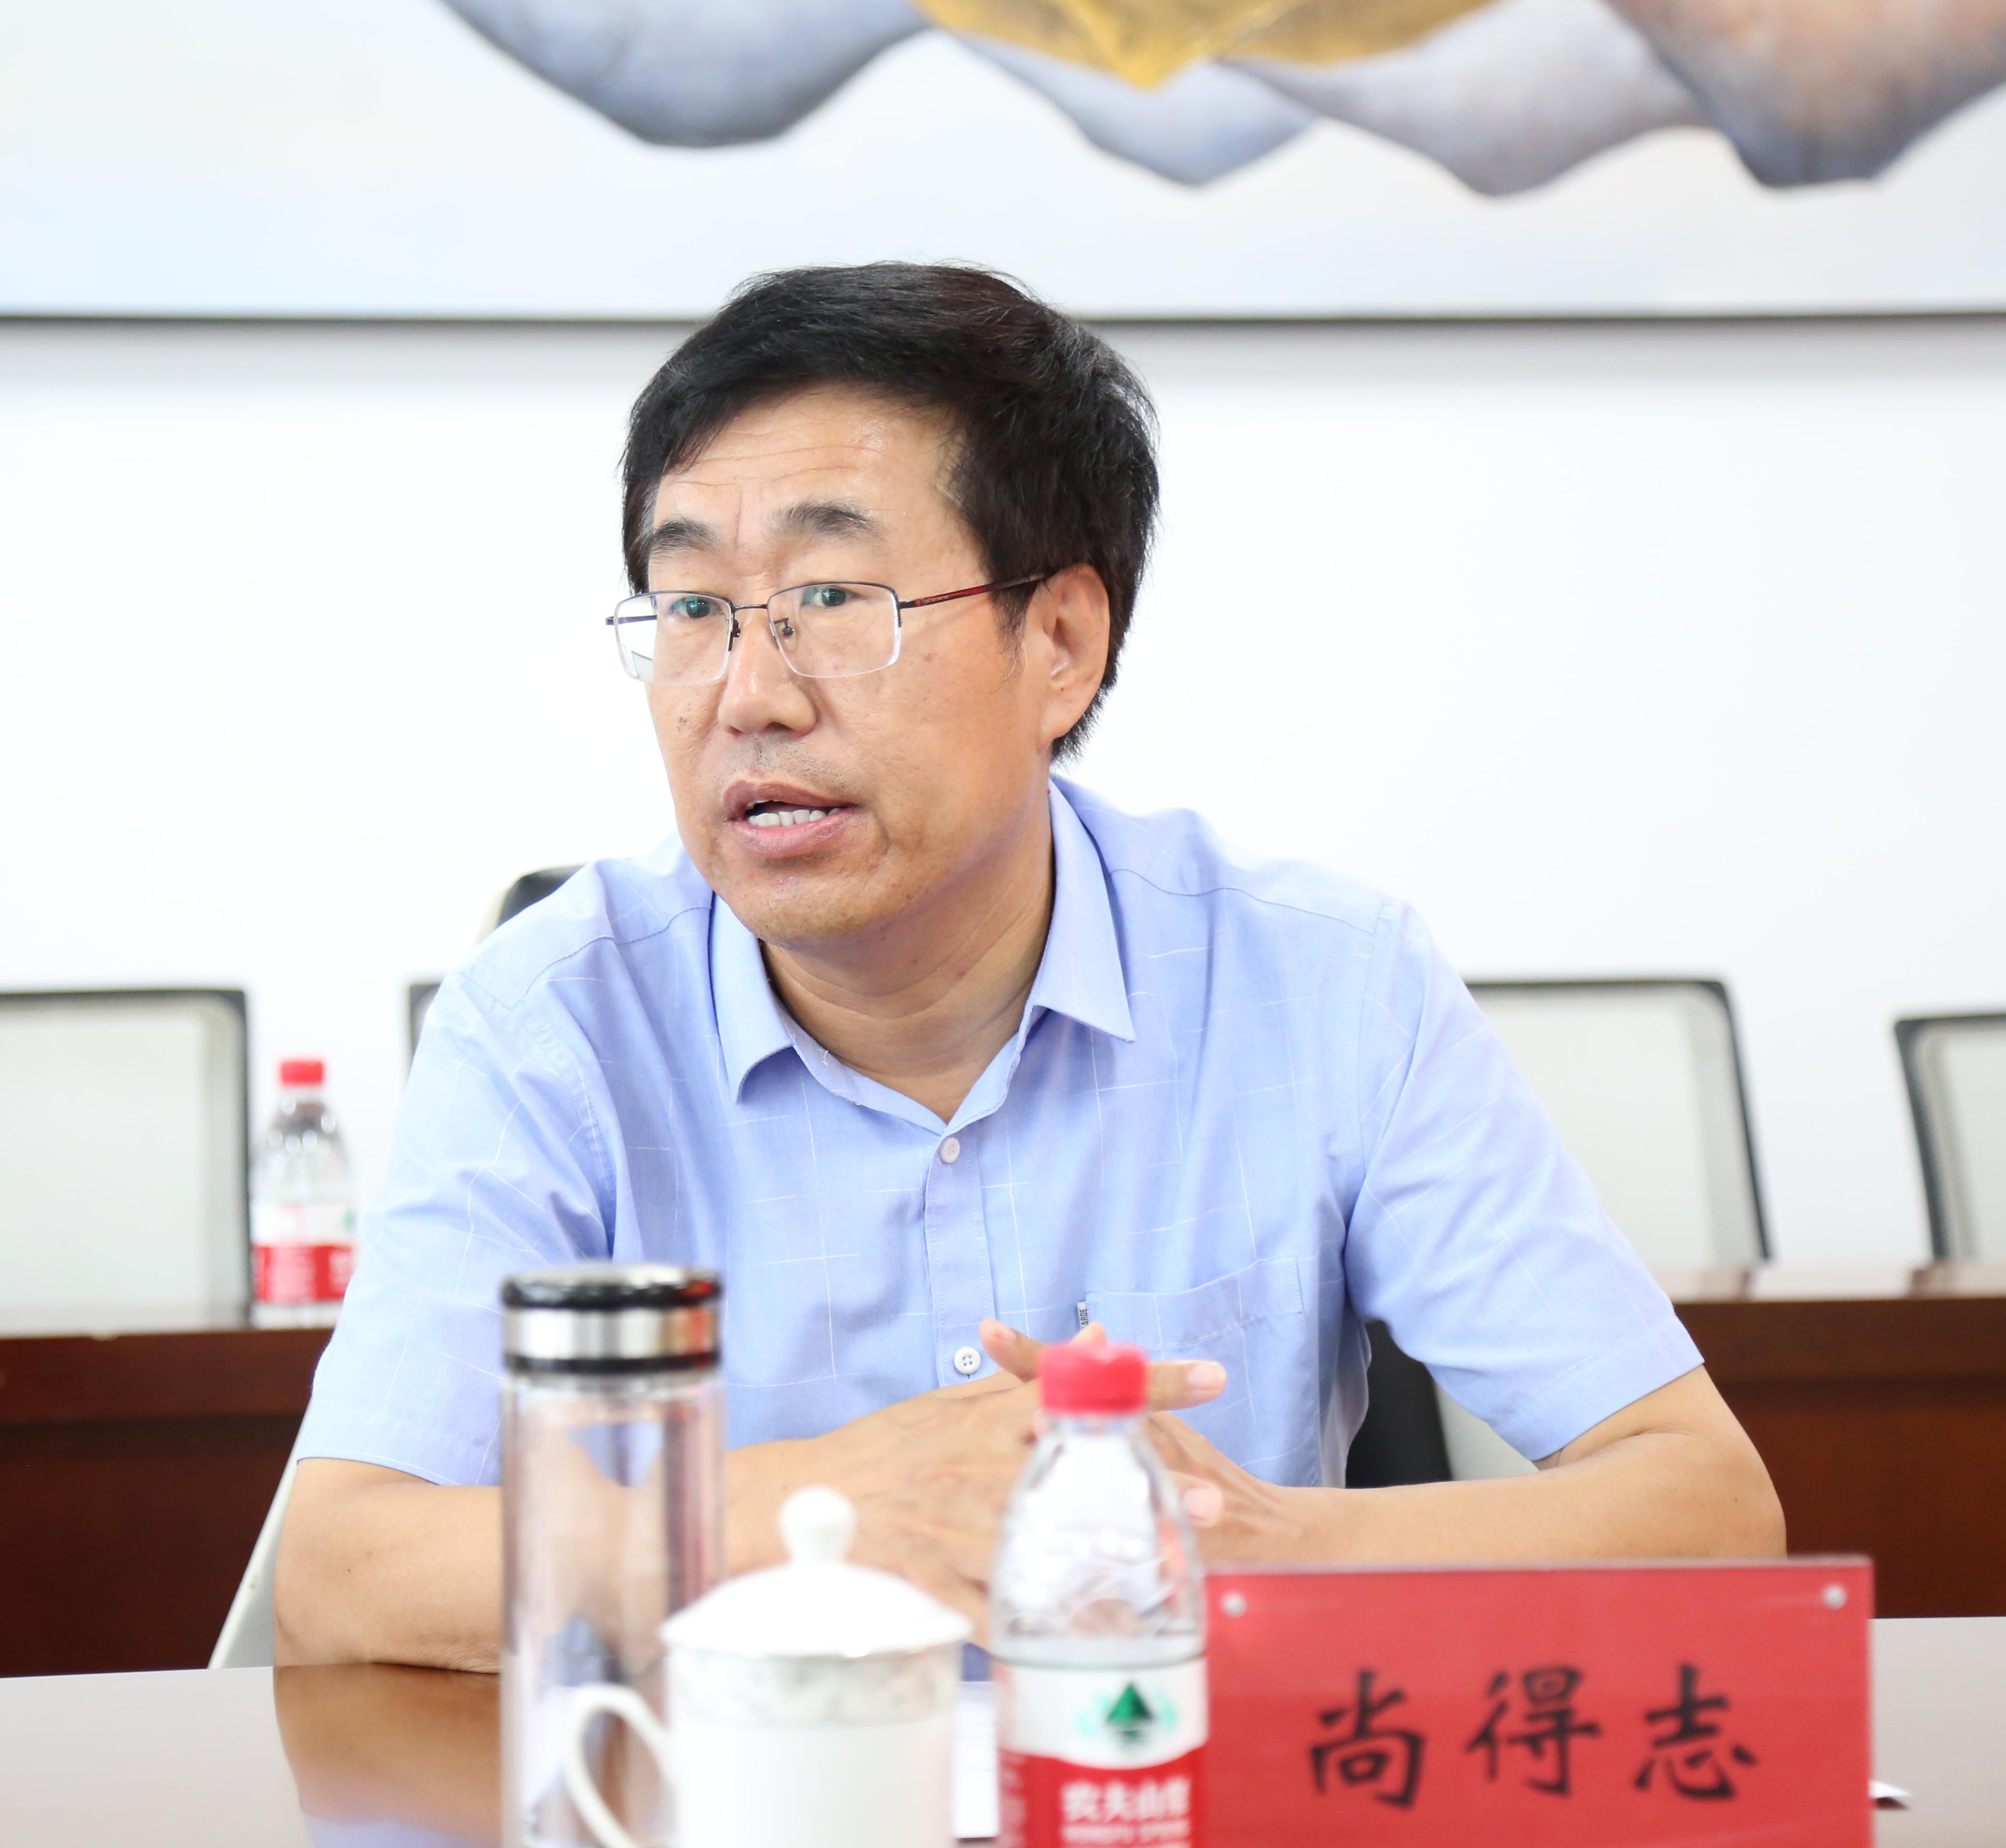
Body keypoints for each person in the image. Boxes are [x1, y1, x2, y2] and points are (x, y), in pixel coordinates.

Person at [277, 263, 1782, 1670]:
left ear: (1059, 642)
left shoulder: (1327, 986)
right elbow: (341, 1571)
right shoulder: (551, 1020)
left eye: (831, 603)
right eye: (693, 611)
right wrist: (827, 1507)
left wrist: (1260, 1543)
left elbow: (1706, 1508)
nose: (746, 695)